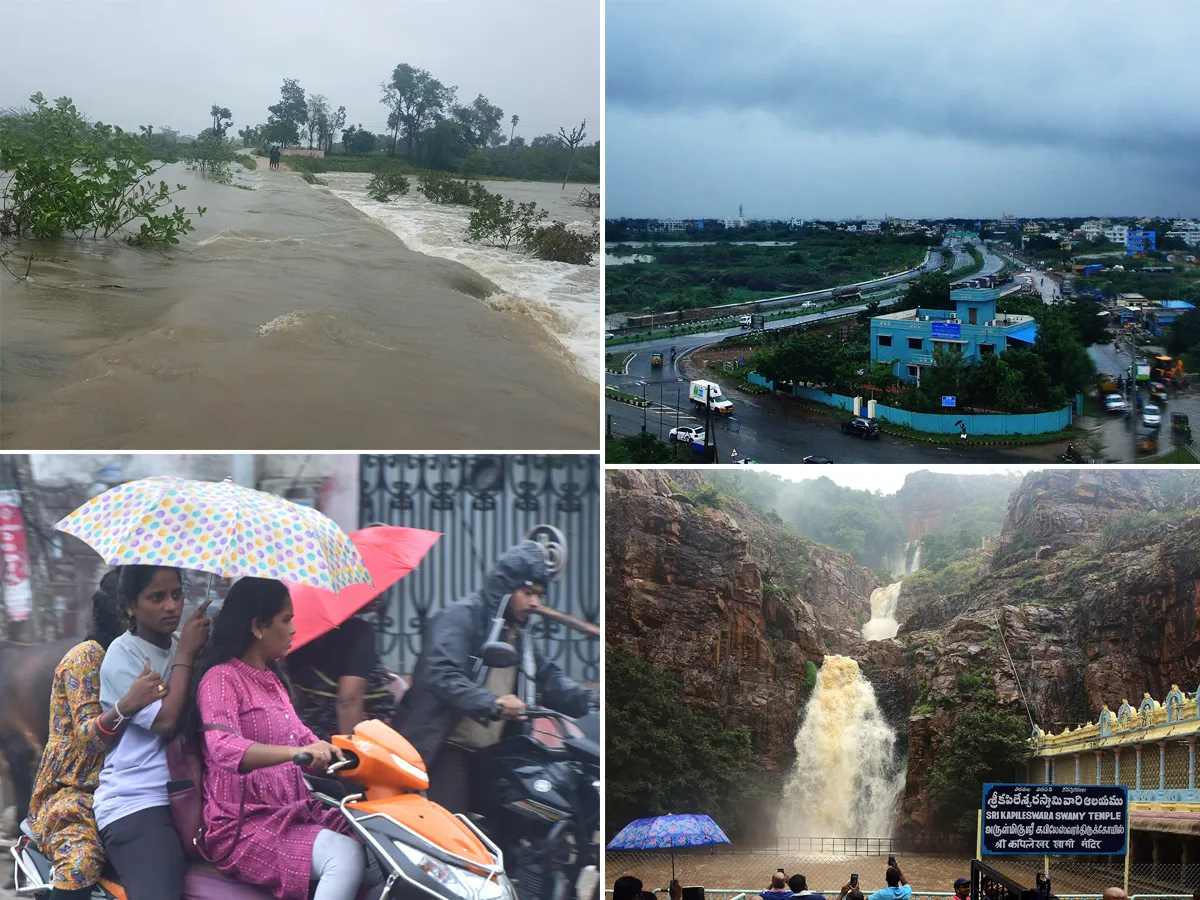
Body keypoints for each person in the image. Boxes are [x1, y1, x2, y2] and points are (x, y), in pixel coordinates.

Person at [194, 577, 381, 900]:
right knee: (345, 856)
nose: (294, 630)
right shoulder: (221, 678)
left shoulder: (272, 681)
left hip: (294, 812)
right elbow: (223, 748)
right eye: (286, 620)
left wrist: (355, 757)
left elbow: (305, 739)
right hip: (243, 826)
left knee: (381, 846)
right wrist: (294, 752)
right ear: (257, 626)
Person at [395, 540, 597, 814]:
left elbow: (549, 677)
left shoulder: (519, 636)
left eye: (539, 594)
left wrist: (591, 701)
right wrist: (494, 703)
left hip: (490, 755)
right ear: (505, 589)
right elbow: (440, 672)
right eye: (527, 592)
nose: (534, 602)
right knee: (453, 837)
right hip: (445, 748)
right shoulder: (462, 616)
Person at [28, 570, 168, 900]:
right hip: (77, 791)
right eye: (154, 599)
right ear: (125, 610)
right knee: (81, 862)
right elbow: (90, 739)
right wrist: (127, 704)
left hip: (134, 786)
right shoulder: (87, 658)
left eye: (174, 597)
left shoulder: (151, 654)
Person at [94, 565, 211, 900]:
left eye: (176, 594)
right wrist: (186, 655)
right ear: (131, 605)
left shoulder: (181, 643)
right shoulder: (123, 654)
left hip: (188, 791)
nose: (171, 606)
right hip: (140, 800)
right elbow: (165, 721)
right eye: (156, 597)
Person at [288, 599, 397, 742]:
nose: (379, 595)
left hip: (306, 735)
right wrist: (351, 752)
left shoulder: (298, 631)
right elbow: (348, 699)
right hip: (340, 736)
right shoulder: (358, 631)